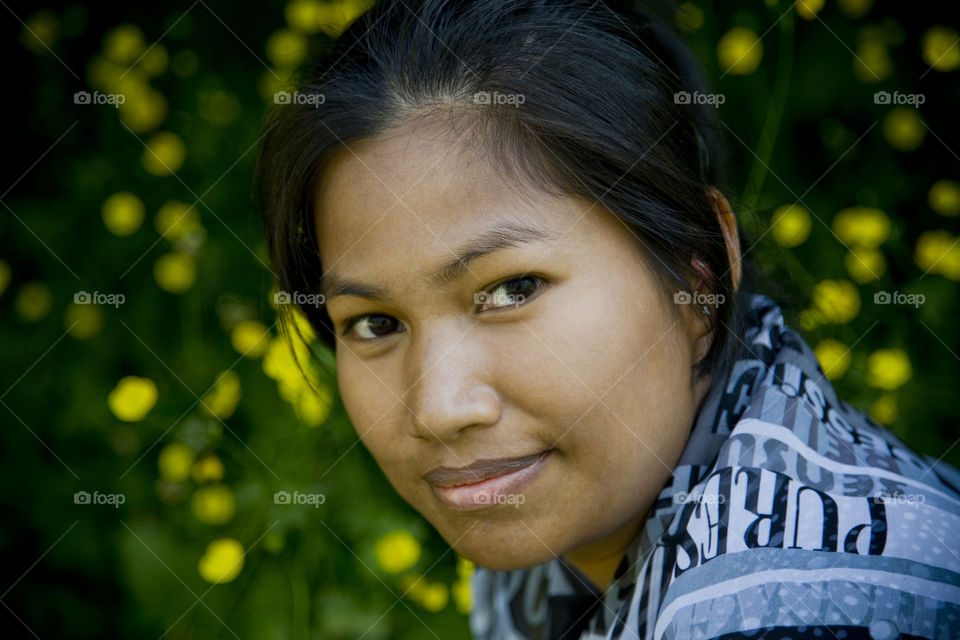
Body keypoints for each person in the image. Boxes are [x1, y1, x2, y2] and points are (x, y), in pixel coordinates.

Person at [256, 1, 960, 637]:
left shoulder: (782, 611)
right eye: (374, 324)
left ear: (698, 268)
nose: (439, 409)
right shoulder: (553, 551)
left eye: (512, 289)